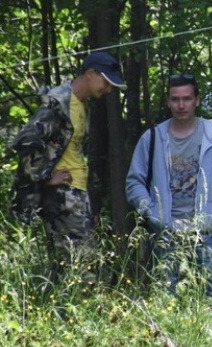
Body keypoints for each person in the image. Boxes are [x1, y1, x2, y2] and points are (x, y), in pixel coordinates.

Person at [11, 51, 126, 281]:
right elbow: (25, 141)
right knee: (83, 269)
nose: (108, 90)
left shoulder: (83, 105)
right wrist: (45, 177)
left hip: (77, 194)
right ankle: (79, 313)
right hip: (62, 197)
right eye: (106, 82)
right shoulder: (58, 104)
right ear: (91, 74)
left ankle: (59, 313)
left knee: (69, 267)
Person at [125, 74, 212, 298]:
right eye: (175, 99)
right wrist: (153, 213)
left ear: (197, 100)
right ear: (168, 101)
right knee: (166, 300)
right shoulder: (153, 137)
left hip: (204, 233)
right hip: (165, 234)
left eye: (186, 99)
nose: (181, 105)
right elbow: (134, 182)